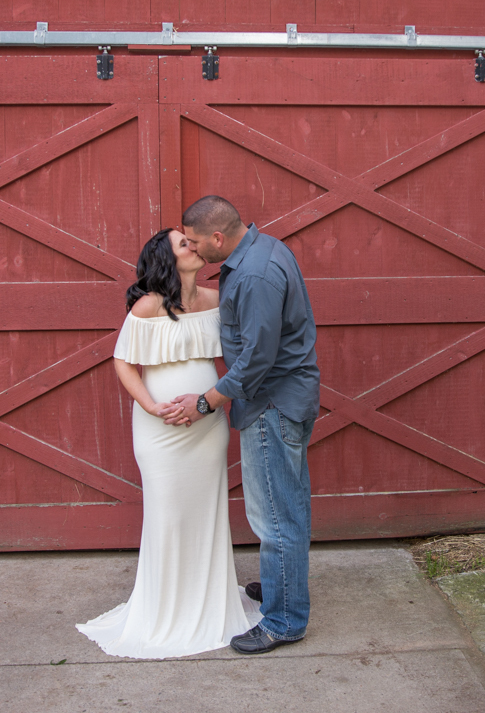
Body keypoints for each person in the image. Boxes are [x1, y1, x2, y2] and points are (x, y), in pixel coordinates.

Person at [75, 228, 261, 659]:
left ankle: (208, 602)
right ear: (168, 259)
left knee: (207, 513)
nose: (194, 247)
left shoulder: (216, 299)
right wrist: (152, 406)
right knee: (169, 514)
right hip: (161, 432)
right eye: (184, 244)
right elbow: (123, 361)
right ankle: (165, 611)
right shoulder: (149, 305)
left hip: (207, 425)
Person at [166, 196, 320, 655]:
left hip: (272, 404)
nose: (191, 249)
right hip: (287, 397)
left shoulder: (252, 275)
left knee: (275, 517)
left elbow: (256, 360)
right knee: (287, 506)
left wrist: (204, 402)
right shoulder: (265, 248)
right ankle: (282, 589)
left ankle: (284, 621)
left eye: (194, 241)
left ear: (217, 237)